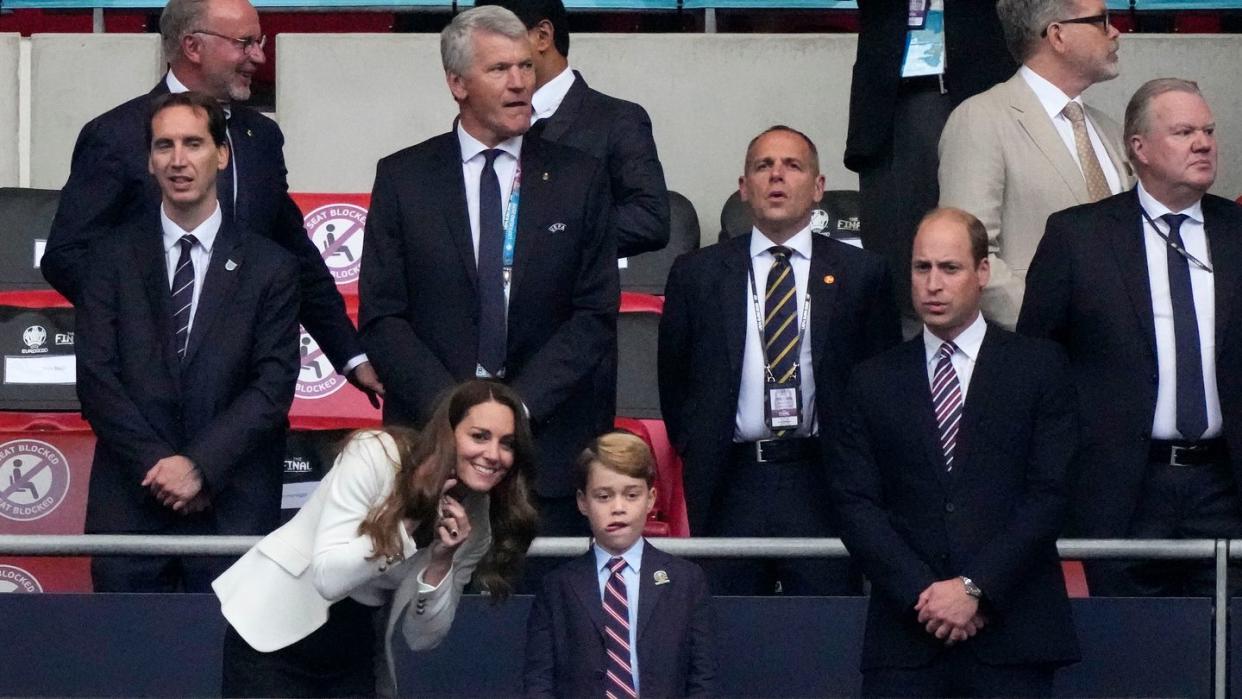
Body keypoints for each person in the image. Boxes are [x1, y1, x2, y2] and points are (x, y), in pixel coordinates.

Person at [358, 5, 617, 541]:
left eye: (526, 66)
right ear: (457, 82)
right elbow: (384, 318)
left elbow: (593, 316)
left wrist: (514, 412)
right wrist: (456, 419)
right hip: (431, 457)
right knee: (425, 615)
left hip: (545, 456)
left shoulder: (580, 178)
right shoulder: (404, 178)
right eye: (500, 70)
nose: (521, 82)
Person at [43, 0, 382, 403]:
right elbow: (68, 255)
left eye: (260, 42)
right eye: (245, 43)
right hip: (145, 395)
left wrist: (351, 354)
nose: (258, 56)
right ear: (192, 47)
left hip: (248, 395)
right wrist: (147, 322)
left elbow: (293, 254)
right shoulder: (117, 135)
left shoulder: (261, 138)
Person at [830, 207, 1079, 697]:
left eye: (950, 268)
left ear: (982, 272)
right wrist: (925, 597)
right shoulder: (872, 381)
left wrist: (975, 589)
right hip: (906, 638)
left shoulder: (1039, 368)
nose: (933, 284)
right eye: (922, 268)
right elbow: (855, 504)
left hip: (1013, 634)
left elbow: (1050, 495)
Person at [1018, 78, 1242, 596]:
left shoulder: (1236, 231)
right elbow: (1037, 366)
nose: (1203, 143)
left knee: (1224, 657)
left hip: (1224, 487)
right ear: (1138, 148)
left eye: (1208, 130)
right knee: (1127, 653)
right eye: (1184, 131)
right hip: (1122, 488)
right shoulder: (1078, 237)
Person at [658, 125, 900, 595]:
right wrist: (696, 444)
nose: (777, 176)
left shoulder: (862, 274)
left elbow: (882, 379)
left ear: (818, 187)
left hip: (823, 478)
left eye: (793, 165)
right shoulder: (698, 274)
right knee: (730, 627)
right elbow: (675, 377)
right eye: (763, 165)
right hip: (732, 477)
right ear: (744, 187)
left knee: (825, 625)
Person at [76, 91, 300, 592]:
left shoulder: (271, 268)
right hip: (131, 503)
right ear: (149, 160)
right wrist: (162, 470)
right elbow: (96, 378)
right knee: (126, 662)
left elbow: (272, 385)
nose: (178, 161)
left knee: (228, 666)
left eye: (194, 144)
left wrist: (201, 467)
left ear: (221, 155)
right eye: (164, 146)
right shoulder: (109, 259)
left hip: (231, 506)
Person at [213, 380, 539, 697]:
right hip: (274, 632)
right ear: (448, 434)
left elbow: (422, 637)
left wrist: (441, 563)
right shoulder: (376, 454)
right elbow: (328, 577)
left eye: (507, 443)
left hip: (354, 648)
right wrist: (410, 517)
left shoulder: (478, 523)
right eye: (479, 436)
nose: (493, 454)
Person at [938, 0, 1132, 328]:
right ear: (1057, 35)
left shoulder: (1109, 131)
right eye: (1102, 21)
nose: (1115, 33)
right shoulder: (982, 119)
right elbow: (967, 251)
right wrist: (1048, 324)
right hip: (1033, 354)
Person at [845, 0, 1013, 334]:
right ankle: (908, 361)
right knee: (900, 260)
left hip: (981, 84)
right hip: (895, 102)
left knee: (980, 236)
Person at [523, 431, 715, 698]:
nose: (618, 508)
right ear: (582, 502)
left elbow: (702, 680)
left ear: (650, 499)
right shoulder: (558, 586)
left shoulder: (686, 581)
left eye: (632, 495)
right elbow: (539, 682)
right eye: (604, 496)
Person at [475, 0, 670, 259]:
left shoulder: (616, 120)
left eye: (497, 36)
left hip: (571, 294)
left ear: (542, 36)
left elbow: (649, 220)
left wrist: (548, 232)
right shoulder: (483, 119)